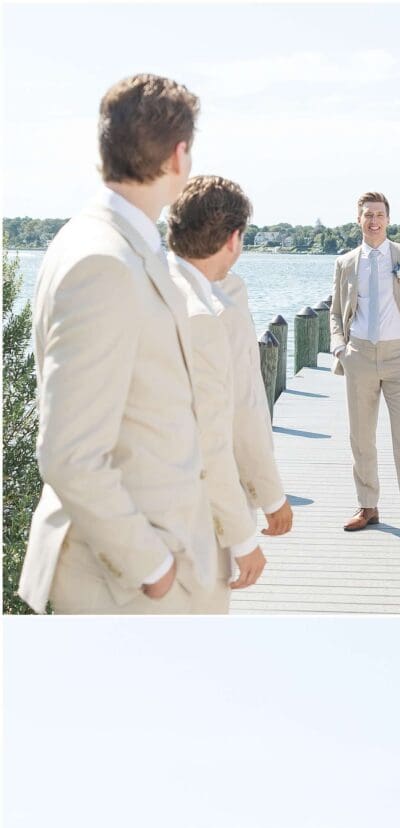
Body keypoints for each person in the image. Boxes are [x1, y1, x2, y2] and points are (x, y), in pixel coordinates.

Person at [19, 71, 220, 616]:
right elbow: (69, 453)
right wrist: (152, 568)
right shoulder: (102, 260)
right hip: (124, 588)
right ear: (179, 157)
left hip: (147, 573)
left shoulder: (110, 242)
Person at [167, 174, 293, 542]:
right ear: (234, 238)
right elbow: (242, 405)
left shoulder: (146, 283)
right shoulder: (221, 301)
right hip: (200, 506)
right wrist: (270, 496)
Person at [164, 195, 266, 602]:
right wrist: (244, 537)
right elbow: (217, 435)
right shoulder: (209, 315)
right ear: (233, 240)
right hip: (191, 515)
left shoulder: (150, 288)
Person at [330, 192, 400, 540]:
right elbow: (335, 312)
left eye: (379, 214)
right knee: (361, 437)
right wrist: (339, 348)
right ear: (358, 219)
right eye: (367, 215)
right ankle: (368, 506)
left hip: (399, 356)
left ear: (388, 219)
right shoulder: (345, 262)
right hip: (358, 355)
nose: (373, 220)